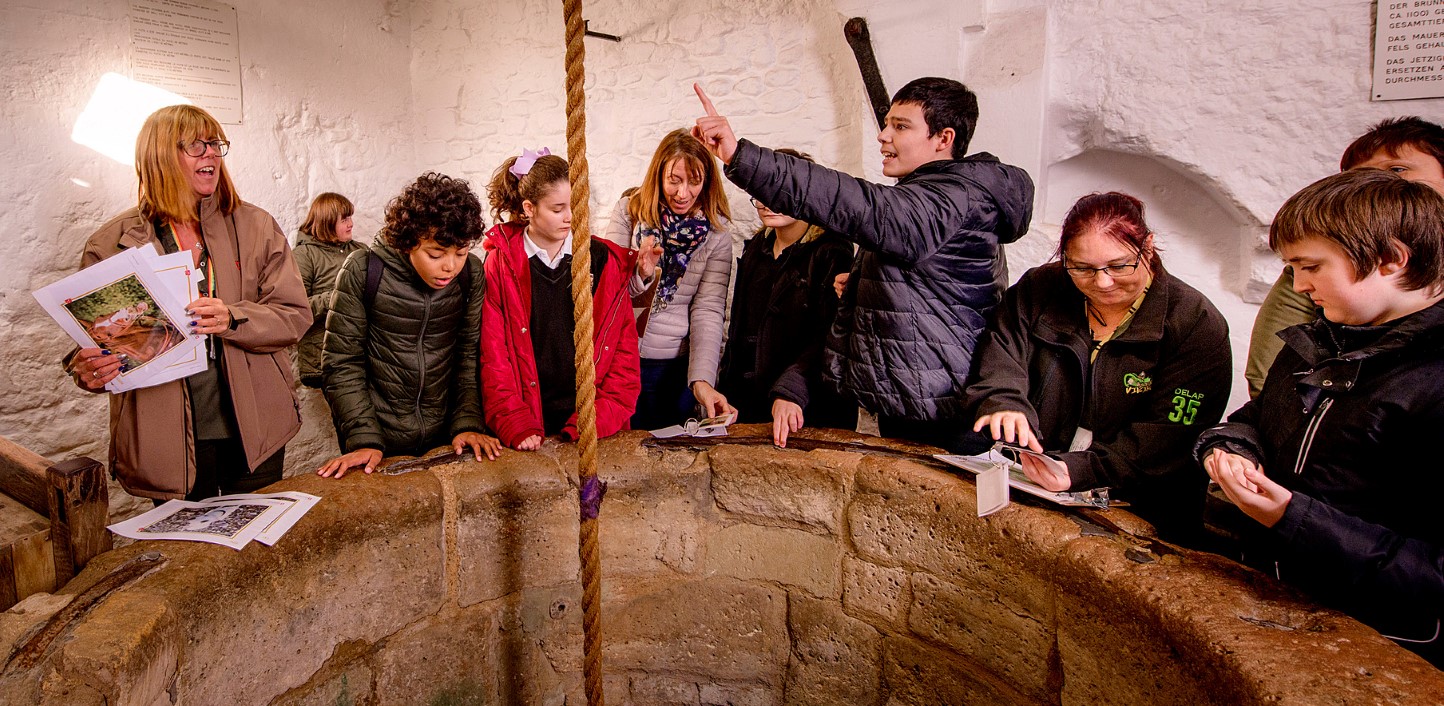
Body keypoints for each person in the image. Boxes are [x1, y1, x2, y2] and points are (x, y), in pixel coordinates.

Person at [691, 79, 1034, 450]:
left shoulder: (951, 199)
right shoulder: (933, 196)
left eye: (901, 126)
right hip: (917, 397)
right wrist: (861, 284)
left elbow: (853, 202)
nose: (883, 136)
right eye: (886, 124)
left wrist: (740, 155)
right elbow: (929, 286)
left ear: (943, 138)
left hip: (945, 410)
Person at [1196, 169, 1444, 666]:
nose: (1298, 284)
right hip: (1284, 600)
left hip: (1384, 643)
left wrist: (1291, 518)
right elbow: (1258, 417)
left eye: (1310, 266)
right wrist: (1231, 447)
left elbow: (1433, 575)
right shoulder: (1324, 338)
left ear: (1392, 258)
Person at [64, 104, 311, 501]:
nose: (211, 153)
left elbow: (295, 316)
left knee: (257, 553)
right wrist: (88, 368)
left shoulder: (257, 226)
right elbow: (93, 341)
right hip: (165, 440)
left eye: (216, 144)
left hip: (255, 428)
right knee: (188, 556)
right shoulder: (110, 244)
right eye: (196, 145)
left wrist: (233, 317)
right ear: (159, 154)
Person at [964, 192, 1231, 544]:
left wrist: (1079, 470)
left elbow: (1171, 433)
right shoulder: (1040, 288)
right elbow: (1002, 348)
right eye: (1082, 268)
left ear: (1147, 248)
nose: (1102, 282)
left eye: (1119, 266)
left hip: (1142, 503)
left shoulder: (1196, 324)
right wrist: (1003, 399)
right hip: (1036, 475)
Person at [1244, 116, 1444, 397]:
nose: (1380, 183)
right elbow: (1269, 372)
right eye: (1358, 176)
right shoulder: (1317, 266)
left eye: (1398, 169)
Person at [317, 172, 501, 477]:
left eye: (461, 252)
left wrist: (467, 423)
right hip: (378, 441)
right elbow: (342, 363)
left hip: (447, 439)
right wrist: (362, 438)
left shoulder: (470, 274)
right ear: (409, 241)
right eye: (435, 253)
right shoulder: (364, 271)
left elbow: (468, 356)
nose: (450, 266)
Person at [481, 150, 642, 449]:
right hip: (529, 421)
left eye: (576, 205)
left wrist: (596, 419)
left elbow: (623, 355)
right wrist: (514, 420)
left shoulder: (603, 261)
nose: (571, 217)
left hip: (592, 424)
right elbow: (494, 354)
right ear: (529, 208)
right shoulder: (502, 264)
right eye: (558, 209)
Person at [716, 148, 857, 447]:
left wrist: (793, 390)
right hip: (753, 403)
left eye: (781, 191)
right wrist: (724, 388)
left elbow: (831, 337)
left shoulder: (832, 252)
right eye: (761, 190)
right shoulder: (757, 246)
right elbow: (741, 330)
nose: (768, 202)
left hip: (807, 408)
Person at [604, 128, 734, 429]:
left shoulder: (716, 234)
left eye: (694, 182)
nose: (683, 193)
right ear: (658, 174)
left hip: (674, 366)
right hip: (621, 358)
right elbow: (606, 292)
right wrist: (641, 275)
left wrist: (702, 380)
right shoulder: (629, 212)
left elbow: (708, 310)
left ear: (708, 181)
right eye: (674, 181)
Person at [292, 192, 367, 390]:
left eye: (350, 217)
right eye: (344, 219)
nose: (351, 224)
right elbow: (295, 310)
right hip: (323, 357)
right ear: (326, 222)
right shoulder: (305, 256)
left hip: (361, 354)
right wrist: (336, 296)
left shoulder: (360, 251)